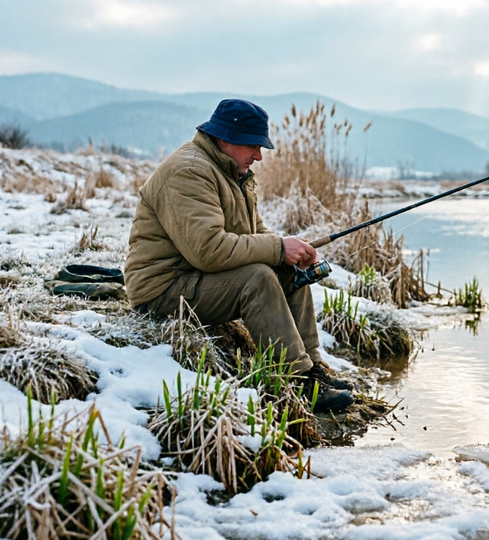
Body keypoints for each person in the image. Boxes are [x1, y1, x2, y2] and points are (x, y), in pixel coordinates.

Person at [124, 98, 353, 412]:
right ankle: (296, 382)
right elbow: (208, 251)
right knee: (257, 278)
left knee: (288, 271)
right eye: (253, 146)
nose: (259, 156)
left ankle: (313, 367)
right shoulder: (189, 171)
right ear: (225, 139)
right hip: (163, 290)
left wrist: (291, 251)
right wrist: (277, 248)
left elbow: (254, 234)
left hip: (195, 278)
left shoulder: (233, 170)